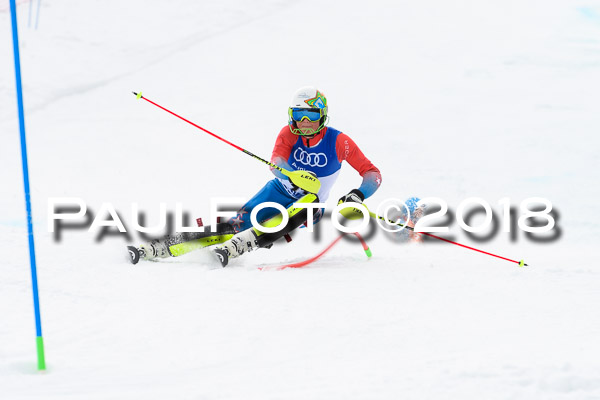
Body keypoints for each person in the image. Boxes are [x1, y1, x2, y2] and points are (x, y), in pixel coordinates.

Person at [127, 86, 382, 266]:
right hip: (278, 191)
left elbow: (372, 174)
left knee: (308, 203)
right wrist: (291, 175)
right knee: (232, 226)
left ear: (323, 116)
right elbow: (276, 162)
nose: (304, 121)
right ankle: (158, 247)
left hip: (309, 204)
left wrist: (356, 195)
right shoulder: (288, 133)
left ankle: (243, 245)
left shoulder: (339, 141)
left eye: (312, 116)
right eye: (298, 115)